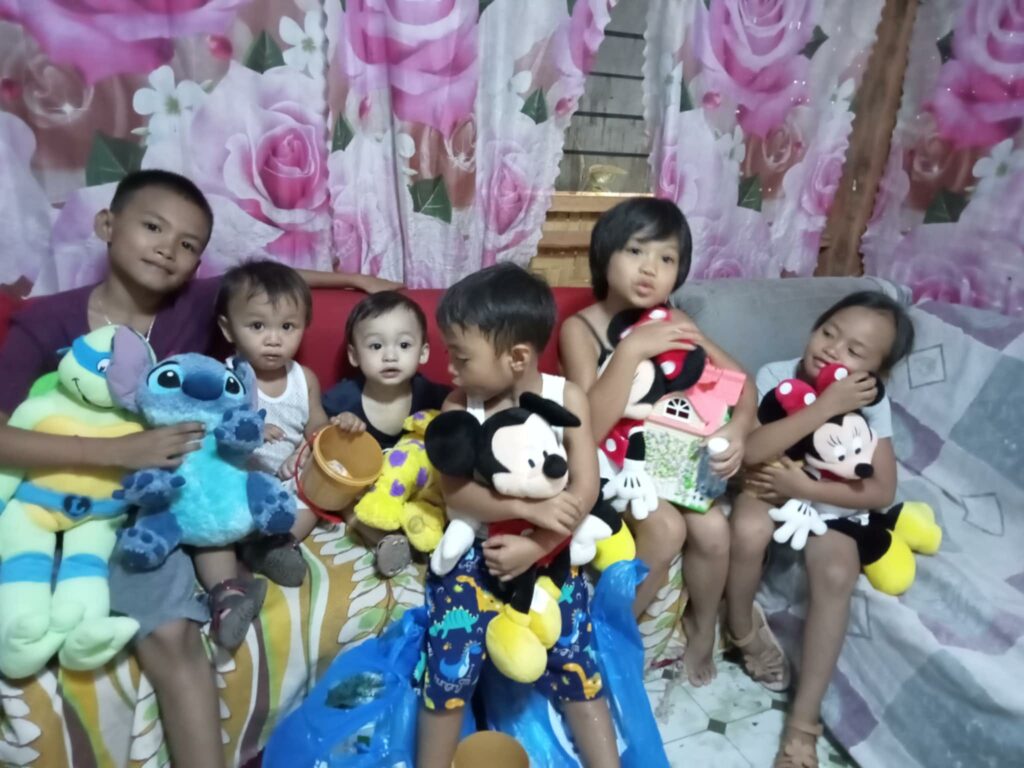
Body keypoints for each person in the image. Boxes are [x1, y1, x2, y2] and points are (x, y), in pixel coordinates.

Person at [0, 169, 398, 768]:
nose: (168, 249)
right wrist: (116, 453)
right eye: (153, 227)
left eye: (188, 244)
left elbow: (266, 288)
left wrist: (353, 281)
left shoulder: (191, 304)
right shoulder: (47, 320)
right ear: (107, 225)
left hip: (162, 508)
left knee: (172, 635)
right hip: (66, 499)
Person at [416, 264, 619, 768]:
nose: (449, 369)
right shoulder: (459, 406)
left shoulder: (565, 398)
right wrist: (524, 508)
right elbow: (457, 495)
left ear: (518, 357)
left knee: (576, 657)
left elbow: (585, 487)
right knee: (449, 664)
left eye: (461, 357)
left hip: (549, 551)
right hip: (477, 552)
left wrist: (537, 545)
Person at [559, 197, 756, 687]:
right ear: (605, 255)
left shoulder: (676, 322)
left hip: (673, 463)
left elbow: (743, 384)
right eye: (636, 251)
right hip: (612, 466)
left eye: (666, 258)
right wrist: (631, 351)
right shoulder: (580, 329)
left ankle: (702, 628)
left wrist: (736, 430)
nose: (650, 268)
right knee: (666, 528)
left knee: (714, 530)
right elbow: (586, 428)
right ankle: (608, 635)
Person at [727, 291, 914, 768]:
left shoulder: (872, 403)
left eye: (855, 351)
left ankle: (802, 723)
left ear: (876, 373)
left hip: (829, 501)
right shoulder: (779, 375)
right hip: (770, 486)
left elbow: (881, 491)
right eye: (829, 332)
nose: (833, 350)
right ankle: (742, 629)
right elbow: (752, 452)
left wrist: (806, 488)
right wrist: (824, 406)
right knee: (746, 530)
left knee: (835, 573)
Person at [182, 260, 332, 650]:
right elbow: (206, 431)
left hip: (283, 488)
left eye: (288, 327)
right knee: (210, 526)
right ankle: (226, 592)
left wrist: (316, 441)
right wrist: (246, 429)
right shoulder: (224, 378)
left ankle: (274, 547)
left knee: (319, 494)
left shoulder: (304, 379)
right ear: (228, 328)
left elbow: (316, 422)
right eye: (257, 326)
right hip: (236, 486)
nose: (273, 340)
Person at [320, 291, 449, 573]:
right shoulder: (343, 399)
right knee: (345, 499)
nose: (390, 355)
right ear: (354, 355)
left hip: (417, 489)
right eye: (376, 346)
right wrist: (339, 426)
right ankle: (387, 542)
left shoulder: (434, 395)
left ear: (423, 352)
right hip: (368, 491)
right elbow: (322, 441)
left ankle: (428, 536)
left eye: (404, 345)